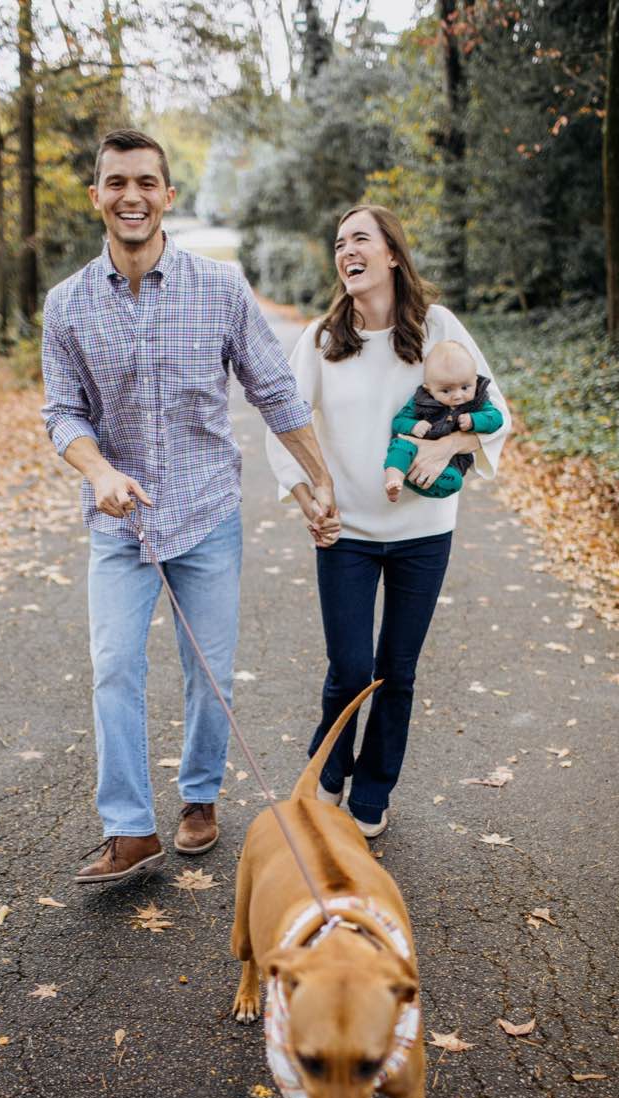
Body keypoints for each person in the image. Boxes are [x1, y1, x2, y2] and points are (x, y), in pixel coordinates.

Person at [42, 129, 338, 886]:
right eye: (116, 183)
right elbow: (62, 414)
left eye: (145, 182)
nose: (130, 196)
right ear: (96, 197)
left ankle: (199, 796)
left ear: (167, 196)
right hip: (119, 521)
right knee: (113, 665)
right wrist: (98, 468)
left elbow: (273, 388)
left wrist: (322, 480)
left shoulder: (219, 288)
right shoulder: (66, 305)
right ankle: (130, 830)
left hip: (206, 511)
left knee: (209, 674)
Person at [267, 204, 511, 838]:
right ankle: (329, 766)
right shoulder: (322, 338)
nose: (346, 249)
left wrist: (447, 445)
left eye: (360, 239)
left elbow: (496, 413)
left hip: (422, 536)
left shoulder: (438, 327)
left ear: (392, 255)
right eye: (339, 241)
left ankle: (373, 791)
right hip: (346, 534)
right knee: (349, 670)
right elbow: (284, 425)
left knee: (395, 672)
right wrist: (306, 497)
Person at [382, 340, 505, 502]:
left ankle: (414, 481)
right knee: (400, 445)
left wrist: (474, 420)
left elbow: (497, 418)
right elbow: (398, 422)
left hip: (451, 461)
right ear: (428, 388)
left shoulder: (478, 401)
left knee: (454, 481)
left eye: (465, 387)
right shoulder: (421, 400)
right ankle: (394, 479)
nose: (457, 395)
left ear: (475, 380)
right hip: (413, 445)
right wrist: (413, 425)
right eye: (446, 390)